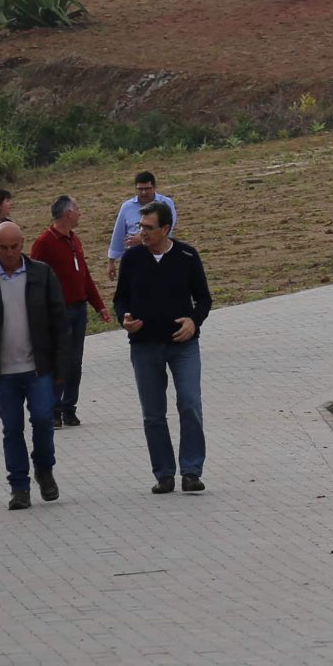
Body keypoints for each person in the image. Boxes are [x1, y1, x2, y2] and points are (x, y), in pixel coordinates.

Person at [0, 221, 66, 510]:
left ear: (22, 244)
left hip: (38, 368)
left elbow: (60, 322)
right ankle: (19, 486)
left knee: (44, 420)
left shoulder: (42, 275)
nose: (9, 253)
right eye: (3, 247)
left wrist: (62, 366)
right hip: (4, 372)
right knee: (12, 429)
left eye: (14, 247)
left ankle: (44, 470)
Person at [116, 199, 211, 494]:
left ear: (166, 228)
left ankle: (192, 471)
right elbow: (121, 299)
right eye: (140, 227)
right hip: (145, 347)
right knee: (153, 414)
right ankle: (164, 474)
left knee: (190, 404)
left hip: (183, 347)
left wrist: (194, 321)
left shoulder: (186, 255)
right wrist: (125, 319)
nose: (142, 232)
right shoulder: (132, 259)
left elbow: (205, 299)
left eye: (148, 227)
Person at [29, 195, 107, 427]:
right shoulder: (44, 243)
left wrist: (99, 305)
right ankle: (52, 409)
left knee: (75, 362)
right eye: (77, 209)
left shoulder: (75, 240)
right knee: (58, 361)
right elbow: (34, 279)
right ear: (67, 214)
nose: (80, 213)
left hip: (79, 309)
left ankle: (69, 407)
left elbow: (84, 275)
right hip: (57, 312)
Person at [104, 170, 176, 282]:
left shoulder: (166, 204)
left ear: (154, 187)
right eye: (140, 189)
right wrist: (111, 262)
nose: (143, 193)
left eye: (147, 189)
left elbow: (168, 230)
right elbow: (118, 234)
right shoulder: (126, 207)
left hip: (161, 256)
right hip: (134, 259)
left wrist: (141, 238)